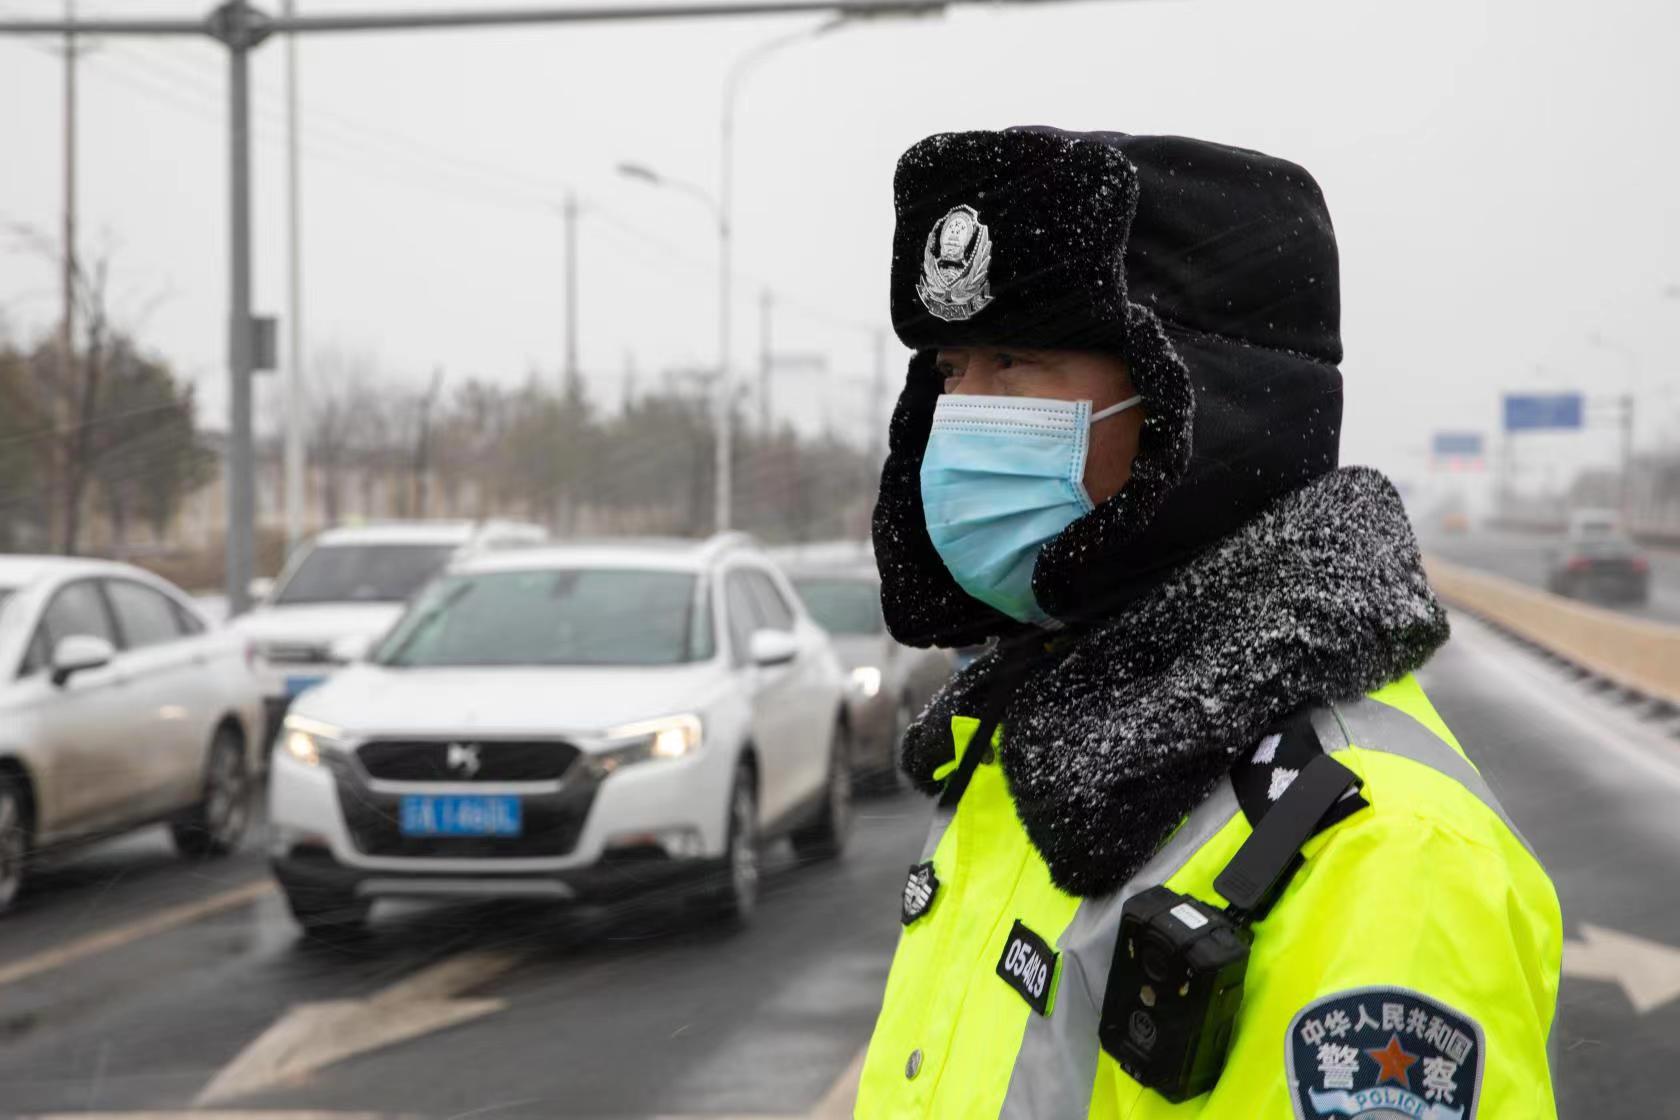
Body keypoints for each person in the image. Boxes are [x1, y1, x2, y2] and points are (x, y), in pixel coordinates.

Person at [856, 127, 1561, 1119]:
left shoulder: (1379, 849)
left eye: (1013, 360)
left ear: (1204, 404)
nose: (959, 412)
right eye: (950, 367)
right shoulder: (1037, 746)